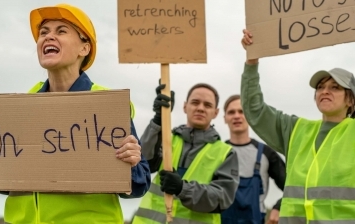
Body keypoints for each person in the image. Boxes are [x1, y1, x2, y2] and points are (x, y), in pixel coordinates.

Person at [0, 4, 151, 224]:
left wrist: (130, 165)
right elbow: (5, 179)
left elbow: (140, 183)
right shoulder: (21, 108)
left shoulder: (106, 106)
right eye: (43, 33)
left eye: (61, 31)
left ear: (84, 48)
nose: (48, 37)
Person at [240, 29, 355, 223]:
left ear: (350, 100)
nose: (325, 91)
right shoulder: (296, 130)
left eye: (335, 87)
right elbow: (254, 109)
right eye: (320, 87)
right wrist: (252, 61)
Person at [132, 83, 240, 224]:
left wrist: (183, 188)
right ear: (184, 106)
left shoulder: (226, 153)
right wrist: (158, 120)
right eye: (195, 102)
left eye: (207, 105)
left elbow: (222, 198)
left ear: (216, 112)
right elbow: (141, 163)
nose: (200, 108)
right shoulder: (166, 139)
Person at [221, 94, 286, 224]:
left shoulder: (266, 153)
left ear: (249, 116)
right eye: (231, 112)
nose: (237, 116)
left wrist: (279, 207)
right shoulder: (217, 153)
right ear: (225, 118)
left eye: (242, 111)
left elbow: (293, 186)